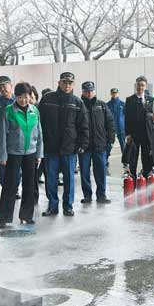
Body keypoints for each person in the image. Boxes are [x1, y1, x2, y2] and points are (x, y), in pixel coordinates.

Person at [39, 72, 89, 217]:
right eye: (64, 82)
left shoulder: (77, 102)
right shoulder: (47, 99)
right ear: (59, 83)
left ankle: (68, 206)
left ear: (73, 85)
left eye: (70, 83)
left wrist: (82, 144)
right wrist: (41, 144)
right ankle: (52, 206)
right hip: (50, 147)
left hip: (69, 148)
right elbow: (39, 123)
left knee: (69, 180)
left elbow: (83, 126)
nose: (67, 86)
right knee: (51, 179)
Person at [0, 83, 43, 227]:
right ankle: (4, 217)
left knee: (29, 185)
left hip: (31, 153)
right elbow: (2, 135)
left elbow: (39, 133)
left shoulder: (34, 110)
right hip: (13, 153)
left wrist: (39, 153)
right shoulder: (9, 111)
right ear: (15, 97)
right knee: (10, 185)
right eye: (20, 97)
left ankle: (26, 216)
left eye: (26, 97)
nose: (23, 100)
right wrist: (2, 156)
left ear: (30, 96)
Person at [79, 81, 115, 204]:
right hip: (84, 146)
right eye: (86, 91)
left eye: (91, 91)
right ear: (82, 92)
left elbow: (110, 122)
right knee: (84, 172)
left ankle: (101, 195)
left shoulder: (102, 105)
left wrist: (110, 139)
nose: (89, 93)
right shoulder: (79, 105)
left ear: (94, 91)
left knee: (100, 171)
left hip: (100, 145)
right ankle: (87, 196)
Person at [124, 76, 154, 179]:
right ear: (135, 85)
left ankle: (145, 178)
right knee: (133, 159)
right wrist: (127, 134)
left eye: (142, 85)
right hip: (134, 135)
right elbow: (127, 118)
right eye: (138, 85)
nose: (140, 87)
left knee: (146, 159)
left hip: (146, 135)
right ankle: (132, 179)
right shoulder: (129, 100)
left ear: (145, 87)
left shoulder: (151, 100)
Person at [106, 88, 125, 174]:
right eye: (113, 93)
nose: (114, 95)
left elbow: (126, 116)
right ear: (111, 94)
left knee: (123, 145)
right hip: (111, 129)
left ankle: (125, 161)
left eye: (115, 93)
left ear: (118, 93)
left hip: (121, 128)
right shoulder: (107, 105)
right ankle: (105, 160)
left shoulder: (122, 104)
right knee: (109, 145)